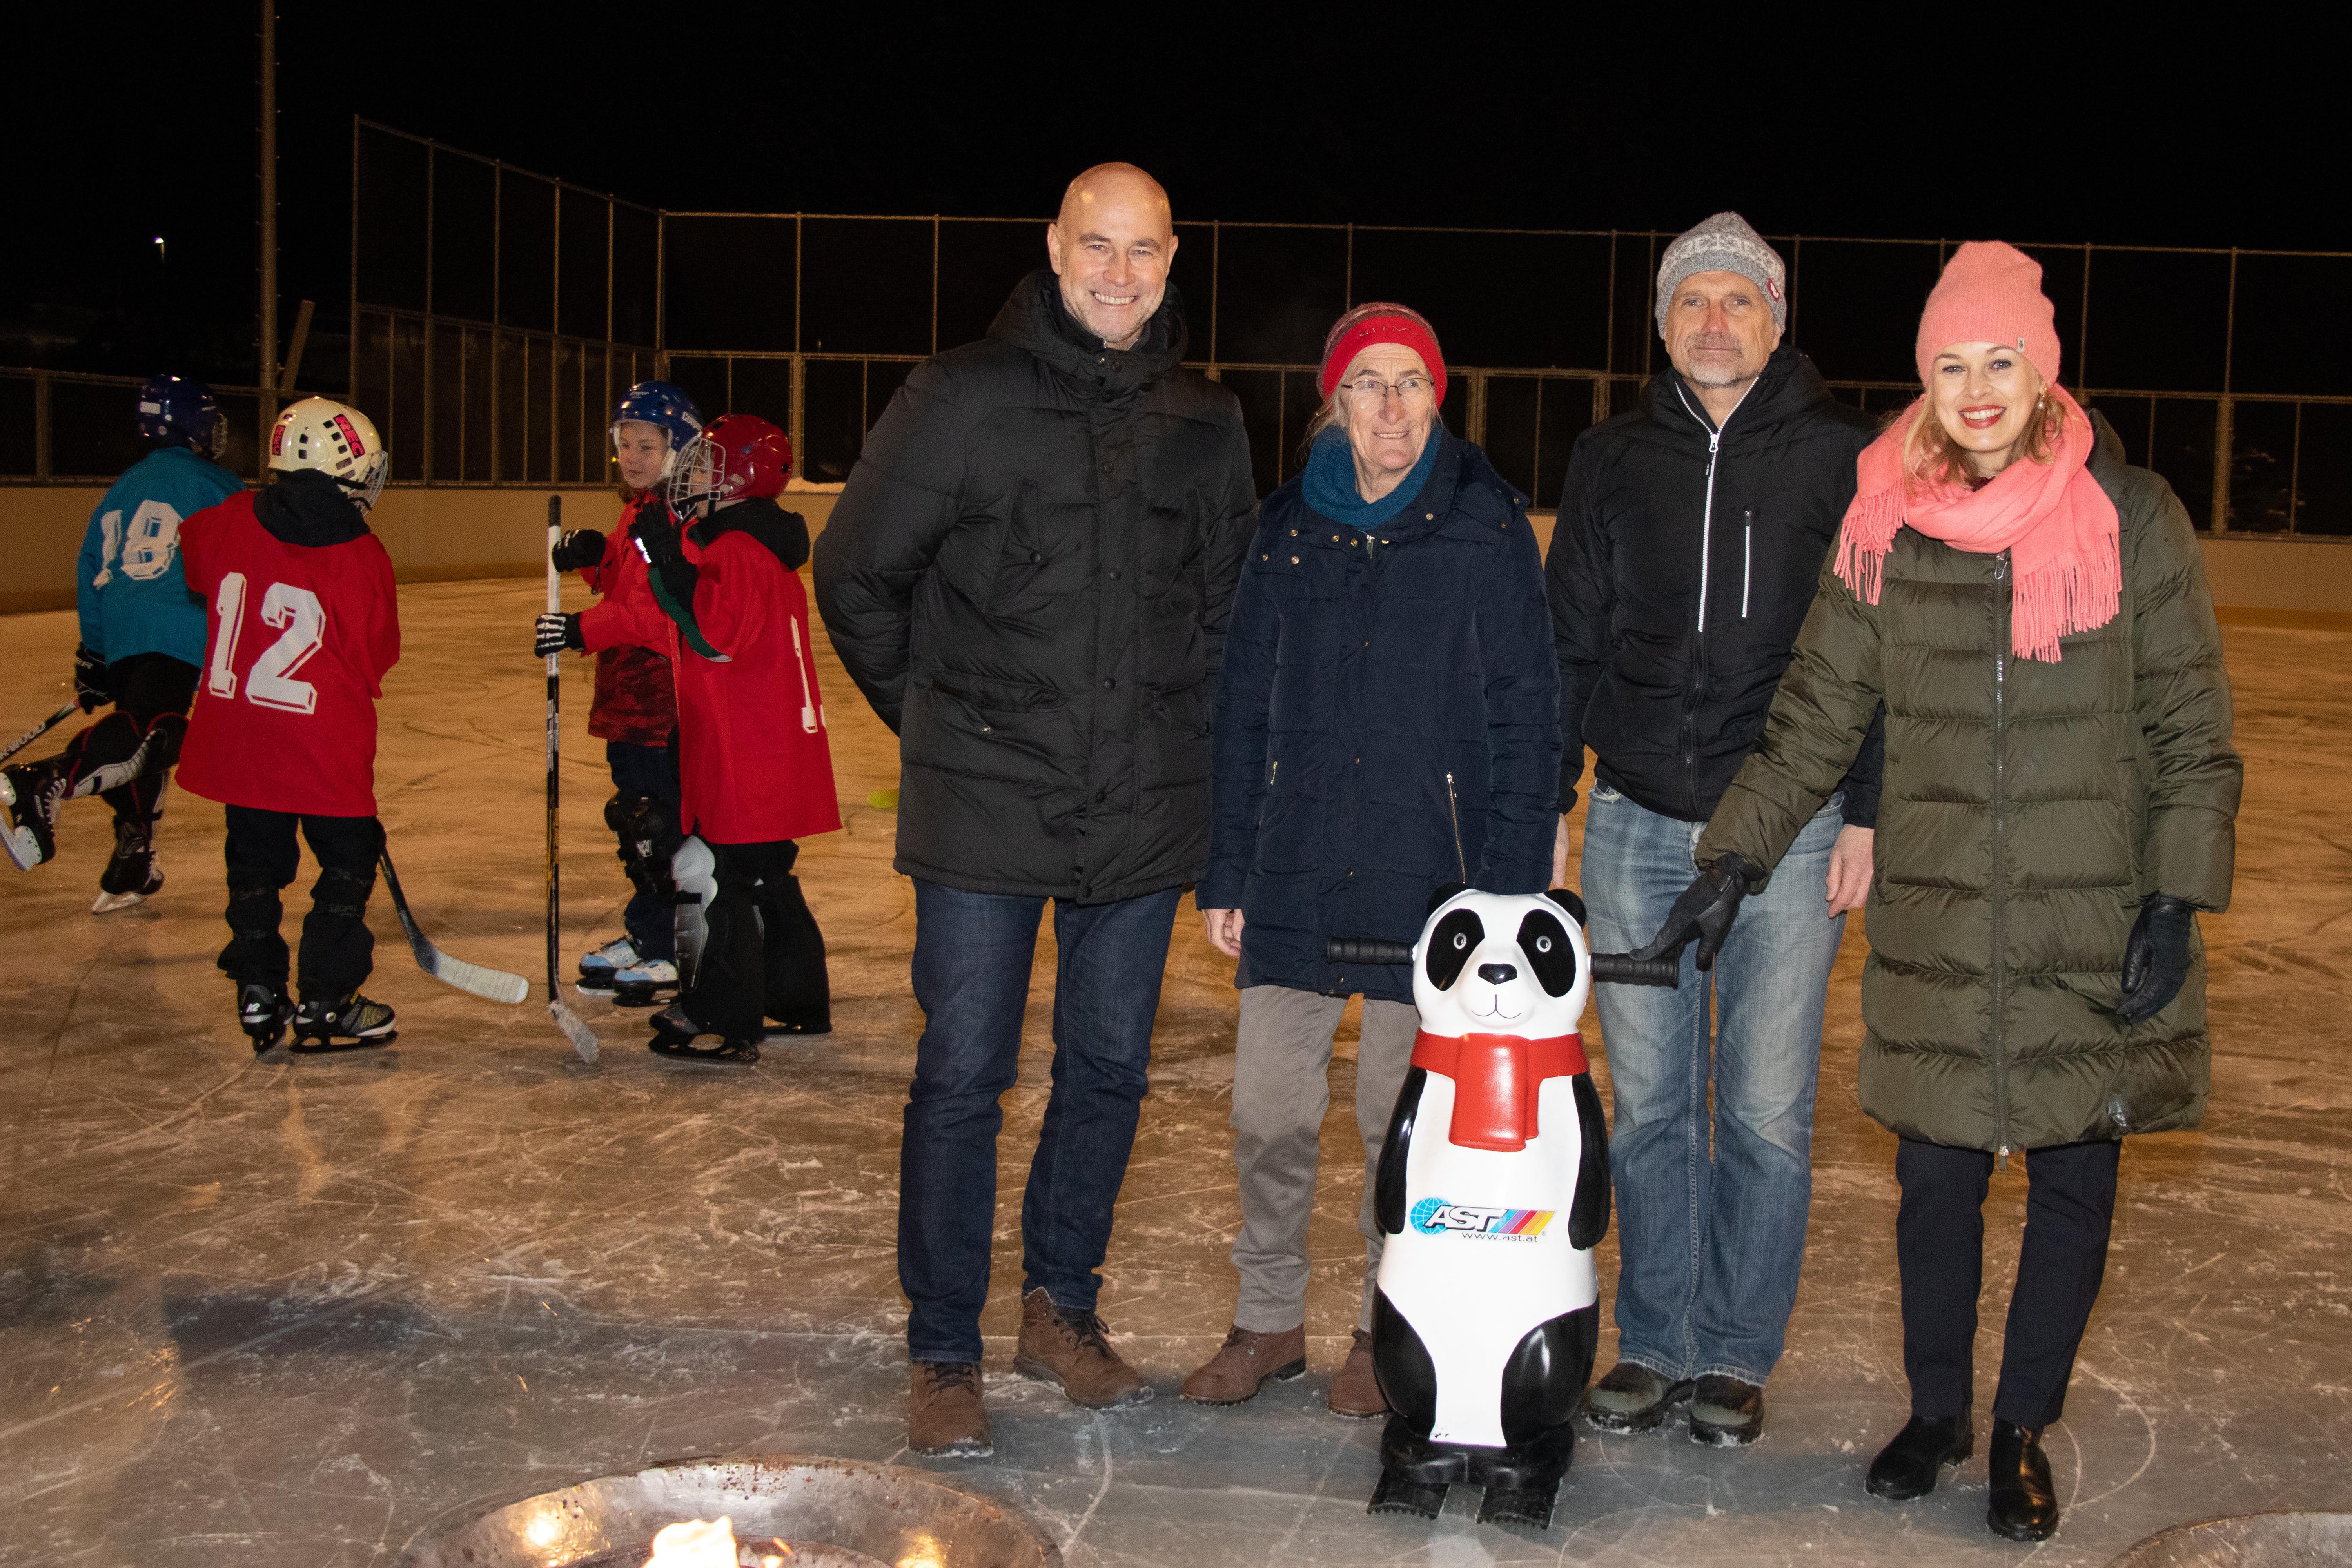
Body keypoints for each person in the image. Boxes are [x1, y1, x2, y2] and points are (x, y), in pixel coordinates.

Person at [1644, 241, 2240, 1542]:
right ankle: (1937, 1410)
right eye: (1951, 365)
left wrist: (2177, 897)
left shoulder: (2131, 518)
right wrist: (1733, 856)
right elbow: (1814, 711)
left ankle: (2022, 1424)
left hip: (2094, 910)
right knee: (1938, 1186)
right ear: (1926, 380)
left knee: (2075, 1185)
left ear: (2042, 373)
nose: (1976, 390)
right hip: (1941, 913)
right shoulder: (1885, 525)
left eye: (2000, 362)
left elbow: (2192, 721)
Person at [815, 162, 1256, 1459]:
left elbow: (1229, 619)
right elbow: (854, 575)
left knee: (1110, 1068)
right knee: (965, 1074)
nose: (1119, 275)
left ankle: (1061, 1311)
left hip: (1141, 810)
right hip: (986, 812)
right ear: (1054, 250)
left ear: (1174, 261)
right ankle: (944, 1342)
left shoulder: (1207, 421)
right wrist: (944, 726)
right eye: (1097, 247)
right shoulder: (959, 398)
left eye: (1145, 252)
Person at [1544, 211, 1884, 1446]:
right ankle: (1660, 1341)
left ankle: (1736, 1353)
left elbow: (1875, 650)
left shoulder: (1847, 459)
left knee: (1763, 1111)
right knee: (1647, 1106)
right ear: (1663, 323)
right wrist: (1552, 803)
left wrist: (1869, 812)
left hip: (1791, 830)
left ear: (1778, 321)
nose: (1715, 322)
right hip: (1636, 818)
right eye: (1693, 302)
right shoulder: (1611, 457)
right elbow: (1568, 638)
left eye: (1739, 300)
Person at [1183, 302, 1558, 1419]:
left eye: (1410, 383)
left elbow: (1530, 711)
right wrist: (1228, 867)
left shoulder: (1486, 527)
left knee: (1400, 1120)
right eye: (1367, 384)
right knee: (1267, 1110)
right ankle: (1268, 1321)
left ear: (1438, 398)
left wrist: (1507, 884)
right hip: (1298, 859)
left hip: (1432, 873)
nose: (1390, 405)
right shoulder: (1288, 525)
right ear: (1333, 403)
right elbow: (1241, 701)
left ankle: (1379, 1325)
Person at [541, 413, 836, 1062]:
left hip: (749, 748)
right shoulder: (745, 542)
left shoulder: (737, 551)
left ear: (738, 477)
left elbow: (712, 638)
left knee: (726, 880)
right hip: (767, 742)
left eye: (705, 466)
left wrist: (673, 566)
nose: (690, 476)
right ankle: (795, 997)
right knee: (766, 877)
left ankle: (722, 1017)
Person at [175, 397, 401, 1052]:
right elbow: (375, 654)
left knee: (254, 860)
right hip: (320, 750)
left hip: (238, 742)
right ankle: (328, 999)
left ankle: (257, 986)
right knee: (348, 860)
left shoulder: (230, 517)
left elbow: (195, 564)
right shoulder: (361, 553)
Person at [4, 376, 242, 909]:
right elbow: (246, 557)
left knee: (139, 732)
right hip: (180, 622)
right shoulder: (216, 483)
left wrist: (94, 652)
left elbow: (92, 566)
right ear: (192, 423)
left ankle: (135, 854)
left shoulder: (125, 485)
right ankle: (48, 778)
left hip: (124, 626)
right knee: (160, 732)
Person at [548, 380, 705, 1005]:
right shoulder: (638, 510)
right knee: (636, 824)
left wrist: (583, 629)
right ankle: (648, 935)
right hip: (625, 696)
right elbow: (620, 582)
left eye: (648, 445)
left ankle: (673, 946)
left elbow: (655, 612)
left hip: (661, 696)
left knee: (659, 822)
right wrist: (591, 560)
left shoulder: (679, 516)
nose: (633, 457)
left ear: (680, 449)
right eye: (626, 445)